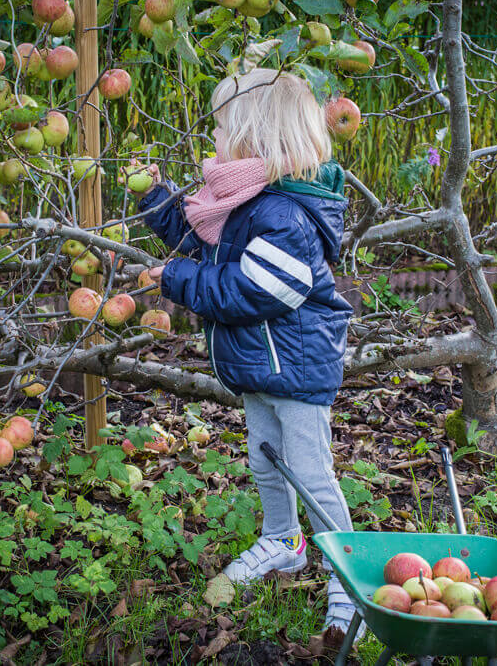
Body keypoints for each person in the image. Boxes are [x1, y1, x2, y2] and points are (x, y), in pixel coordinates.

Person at [134, 67, 362, 639]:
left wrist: (179, 280)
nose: (213, 142)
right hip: (264, 364)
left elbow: (257, 290)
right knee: (265, 458)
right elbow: (205, 244)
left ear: (254, 138)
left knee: (310, 471)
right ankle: (283, 541)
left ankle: (348, 577)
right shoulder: (247, 202)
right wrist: (158, 201)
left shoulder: (283, 215)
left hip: (297, 365)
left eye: (221, 130)